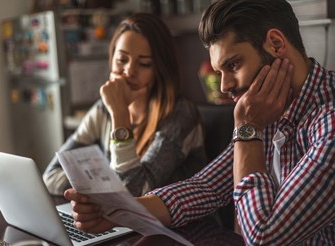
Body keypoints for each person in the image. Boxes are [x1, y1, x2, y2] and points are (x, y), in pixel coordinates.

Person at [64, 0, 335, 245]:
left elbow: (262, 237)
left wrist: (247, 131)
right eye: (220, 72)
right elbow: (205, 188)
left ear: (276, 44)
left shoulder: (325, 121)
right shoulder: (268, 109)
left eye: (233, 65)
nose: (225, 85)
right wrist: (115, 212)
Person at [43, 13, 207, 197]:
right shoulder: (103, 109)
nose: (129, 71)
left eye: (144, 64)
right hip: (122, 222)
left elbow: (135, 191)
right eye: (122, 60)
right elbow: (50, 176)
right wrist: (106, 186)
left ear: (160, 69)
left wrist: (119, 113)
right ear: (112, 60)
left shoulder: (180, 114)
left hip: (180, 225)